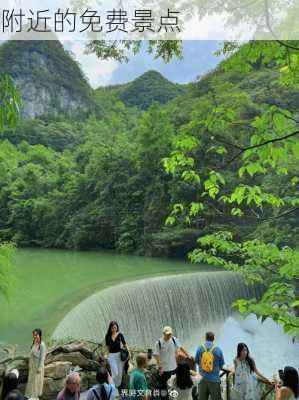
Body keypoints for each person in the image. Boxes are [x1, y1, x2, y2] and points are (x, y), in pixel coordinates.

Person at [154, 326, 190, 400]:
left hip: (174, 368)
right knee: (163, 388)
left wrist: (188, 355)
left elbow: (181, 347)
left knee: (174, 386)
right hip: (164, 370)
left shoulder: (174, 339)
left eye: (170, 334)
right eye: (167, 334)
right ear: (163, 333)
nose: (169, 335)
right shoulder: (159, 343)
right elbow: (156, 356)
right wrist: (160, 367)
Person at [195, 331, 224, 400]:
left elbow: (197, 361)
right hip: (214, 380)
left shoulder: (199, 348)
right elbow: (221, 364)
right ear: (213, 339)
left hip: (202, 379)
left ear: (205, 338)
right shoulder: (218, 350)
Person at [105, 321, 129, 388]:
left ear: (117, 327)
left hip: (119, 355)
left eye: (115, 327)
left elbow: (125, 344)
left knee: (119, 374)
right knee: (115, 373)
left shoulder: (120, 335)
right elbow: (107, 347)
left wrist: (128, 352)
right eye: (112, 327)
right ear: (110, 328)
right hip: (111, 356)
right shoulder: (107, 336)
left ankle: (116, 386)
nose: (114, 329)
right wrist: (107, 355)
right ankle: (111, 385)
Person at [25, 328, 46, 400]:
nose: (35, 336)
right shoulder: (33, 342)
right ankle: (29, 396)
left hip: (37, 367)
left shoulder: (42, 345)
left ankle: (34, 397)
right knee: (31, 382)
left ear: (40, 335)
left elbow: (43, 357)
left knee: (36, 384)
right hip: (32, 366)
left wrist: (40, 368)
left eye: (36, 335)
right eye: (34, 335)